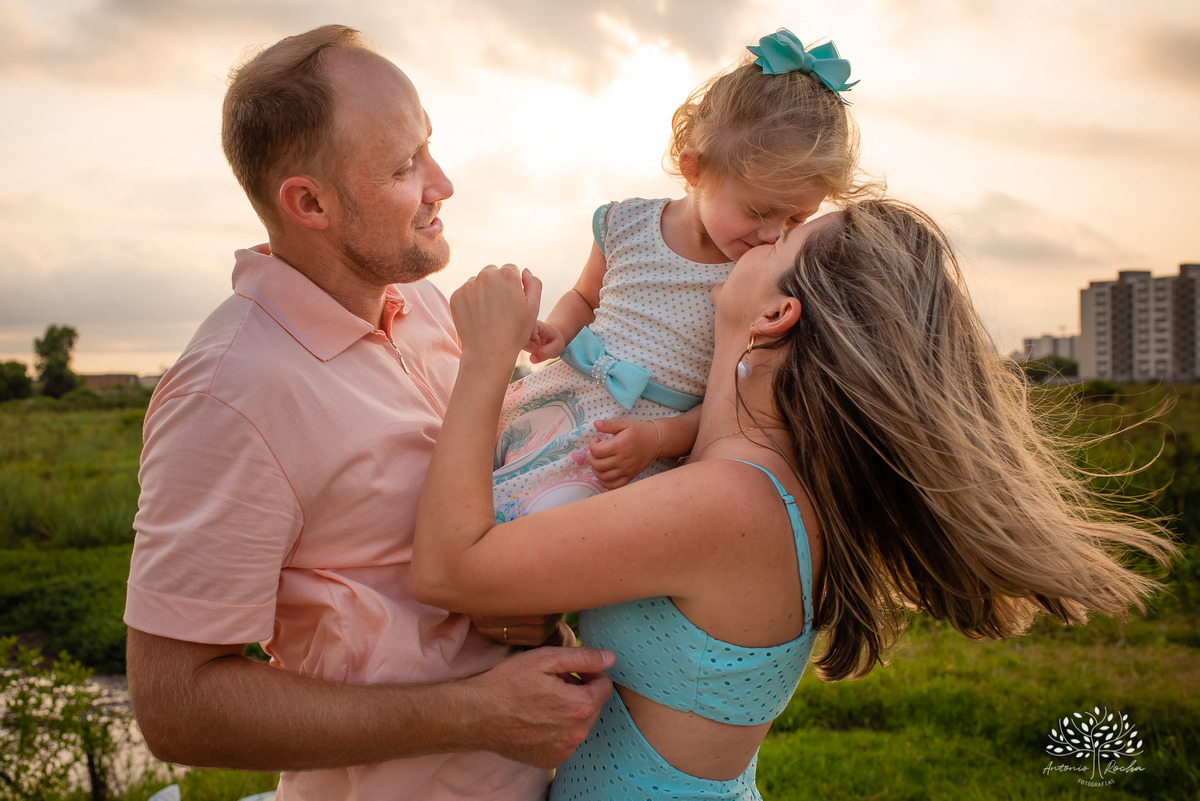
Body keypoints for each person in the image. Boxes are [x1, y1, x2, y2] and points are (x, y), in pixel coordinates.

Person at [411, 199, 1176, 800]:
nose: (754, 237)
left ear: (777, 316)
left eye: (779, 242)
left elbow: (450, 568)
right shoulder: (753, 476)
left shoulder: (728, 502)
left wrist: (486, 359)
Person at [123, 25, 613, 801]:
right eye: (403, 166)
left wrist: (516, 606)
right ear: (308, 202)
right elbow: (175, 704)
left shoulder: (423, 306)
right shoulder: (226, 395)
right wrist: (472, 713)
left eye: (429, 147)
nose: (442, 182)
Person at [492, 29, 863, 524]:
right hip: (559, 401)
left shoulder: (758, 278)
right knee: (479, 494)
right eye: (758, 210)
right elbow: (585, 295)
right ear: (695, 169)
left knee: (542, 545)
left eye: (796, 220)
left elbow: (728, 401)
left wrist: (660, 440)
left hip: (641, 441)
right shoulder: (625, 224)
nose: (774, 234)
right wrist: (558, 329)